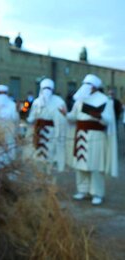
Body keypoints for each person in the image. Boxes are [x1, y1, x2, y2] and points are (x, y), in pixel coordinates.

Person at [60, 74, 118, 205]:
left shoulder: (105, 100)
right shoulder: (80, 100)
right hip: (80, 134)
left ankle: (97, 193)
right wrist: (65, 114)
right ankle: (82, 190)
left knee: (95, 165)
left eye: (89, 85)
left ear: (95, 87)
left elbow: (109, 121)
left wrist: (99, 116)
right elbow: (73, 117)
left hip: (96, 135)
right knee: (80, 165)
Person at [27, 78, 67, 181]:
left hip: (51, 134)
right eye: (44, 88)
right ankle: (39, 179)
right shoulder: (36, 102)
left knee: (50, 158)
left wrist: (59, 136)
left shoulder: (59, 102)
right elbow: (31, 118)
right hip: (38, 134)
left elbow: (61, 121)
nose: (46, 91)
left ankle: (49, 182)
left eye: (49, 88)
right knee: (38, 157)